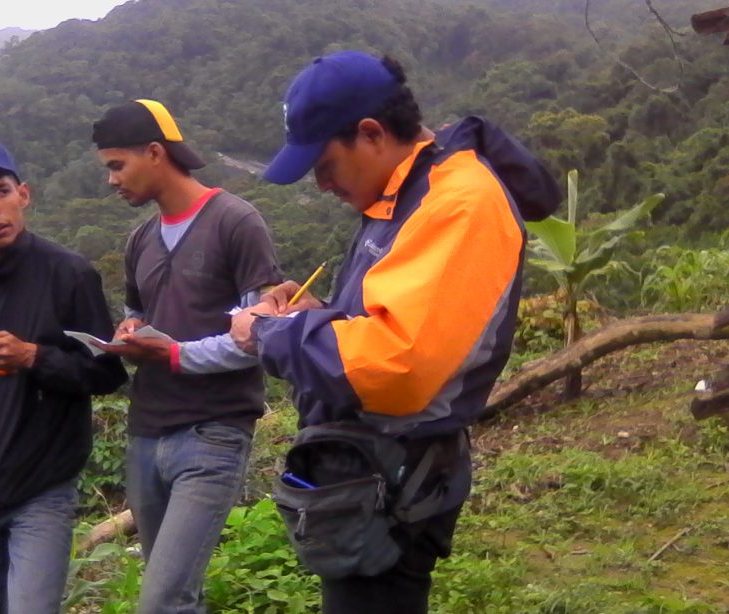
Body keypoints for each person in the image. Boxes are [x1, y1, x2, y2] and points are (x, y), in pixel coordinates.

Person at [230, 51, 559, 612]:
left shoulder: (457, 202)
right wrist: (318, 313)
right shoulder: (402, 193)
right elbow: (399, 316)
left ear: (371, 133)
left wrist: (270, 336)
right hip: (365, 468)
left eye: (325, 164)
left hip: (397, 478)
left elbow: (397, 364)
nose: (321, 183)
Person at [91, 99, 282, 613]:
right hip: (146, 434)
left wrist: (175, 355)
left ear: (155, 153)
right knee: (175, 597)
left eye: (117, 165)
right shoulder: (140, 240)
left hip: (213, 432)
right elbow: (136, 314)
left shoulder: (236, 222)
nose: (112, 180)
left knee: (162, 600)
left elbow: (258, 336)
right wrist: (129, 333)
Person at [0, 140, 128, 614]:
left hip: (42, 490)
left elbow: (107, 372)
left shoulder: (69, 274)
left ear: (24, 195)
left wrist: (34, 357)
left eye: (0, 191)